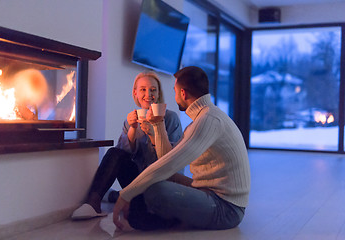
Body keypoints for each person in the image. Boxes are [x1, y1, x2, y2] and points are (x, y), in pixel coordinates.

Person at [113, 66, 251, 231]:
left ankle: (162, 218)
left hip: (226, 209)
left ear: (183, 94)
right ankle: (150, 213)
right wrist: (158, 124)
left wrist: (125, 194)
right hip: (207, 190)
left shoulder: (208, 121)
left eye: (175, 91)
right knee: (161, 181)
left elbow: (169, 164)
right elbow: (167, 157)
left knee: (156, 190)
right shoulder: (203, 117)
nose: (175, 96)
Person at [71, 71, 182, 220]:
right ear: (135, 93)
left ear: (159, 93)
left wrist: (154, 135)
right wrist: (133, 129)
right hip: (136, 181)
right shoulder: (129, 121)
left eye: (153, 89)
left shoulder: (170, 118)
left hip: (160, 183)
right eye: (143, 89)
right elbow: (120, 157)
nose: (148, 94)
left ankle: (115, 196)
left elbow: (172, 161)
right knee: (114, 152)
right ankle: (93, 203)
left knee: (139, 215)